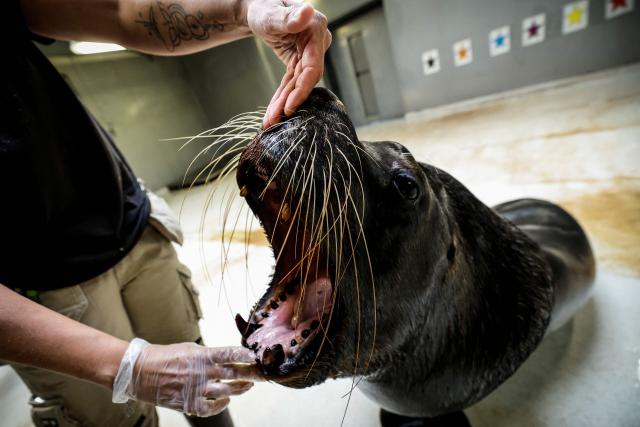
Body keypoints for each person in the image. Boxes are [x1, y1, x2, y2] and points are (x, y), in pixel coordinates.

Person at [0, 0, 331, 426]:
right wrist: (127, 367)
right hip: (43, 287)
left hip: (133, 224)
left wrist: (244, 9)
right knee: (118, 419)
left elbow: (119, 12)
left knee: (204, 386)